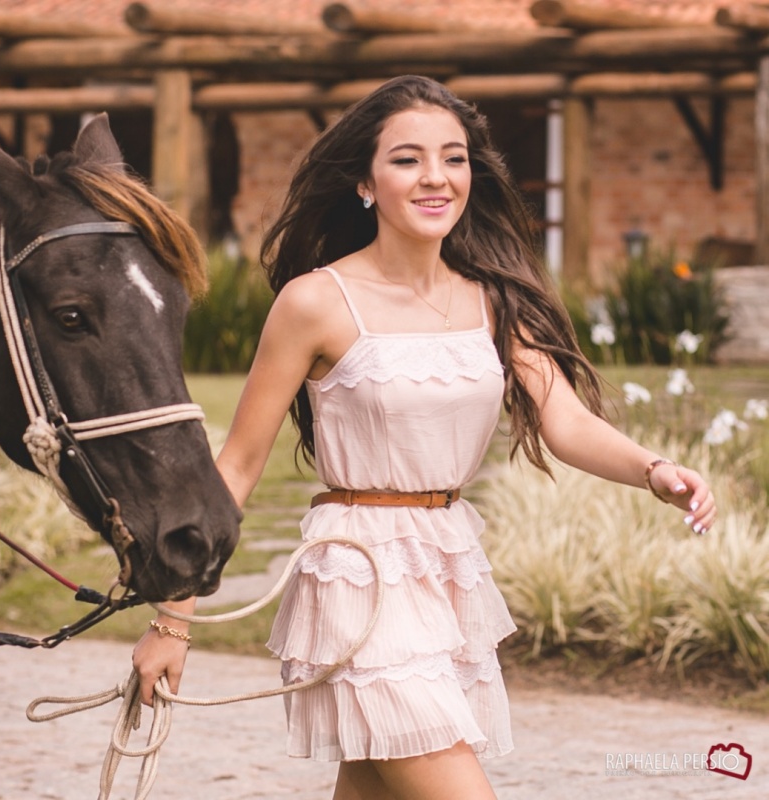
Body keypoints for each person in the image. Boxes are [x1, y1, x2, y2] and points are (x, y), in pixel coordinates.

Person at [132, 75, 717, 800]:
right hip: (356, 578)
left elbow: (564, 421)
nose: (436, 177)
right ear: (365, 183)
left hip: (446, 568)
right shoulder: (316, 301)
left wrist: (654, 468)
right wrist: (174, 621)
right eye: (408, 159)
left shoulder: (495, 298)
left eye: (455, 157)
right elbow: (238, 468)